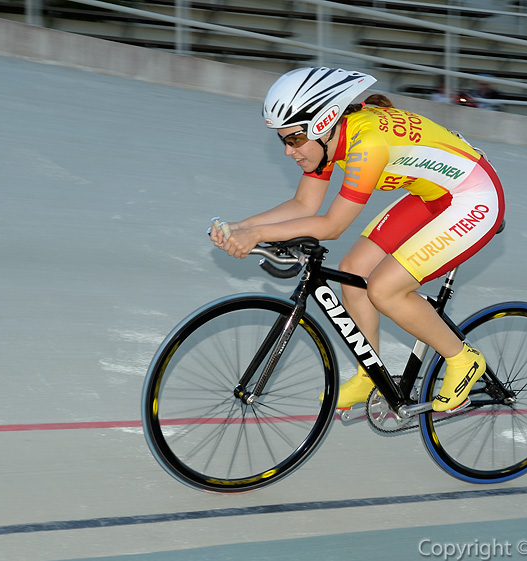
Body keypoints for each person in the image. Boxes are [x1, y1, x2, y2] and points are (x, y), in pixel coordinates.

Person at [210, 67, 505, 413]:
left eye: (292, 140)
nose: (289, 151)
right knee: (353, 271)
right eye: (283, 140)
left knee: (384, 289)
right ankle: (371, 375)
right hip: (431, 196)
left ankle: (462, 358)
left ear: (323, 124)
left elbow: (333, 225)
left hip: (474, 197)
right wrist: (240, 227)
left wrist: (256, 235)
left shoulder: (367, 145)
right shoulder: (327, 142)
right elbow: (303, 205)